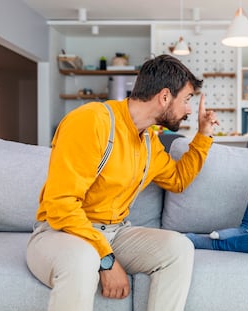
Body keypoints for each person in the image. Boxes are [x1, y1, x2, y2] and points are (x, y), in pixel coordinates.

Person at [26, 54, 219, 311]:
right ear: (164, 97)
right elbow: (60, 205)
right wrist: (105, 259)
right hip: (62, 233)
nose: (188, 110)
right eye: (186, 100)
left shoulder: (149, 140)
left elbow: (178, 180)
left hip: (115, 232)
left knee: (179, 248)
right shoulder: (92, 121)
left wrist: (203, 135)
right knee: (83, 259)